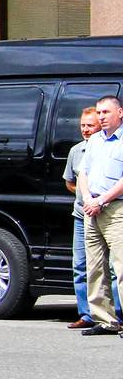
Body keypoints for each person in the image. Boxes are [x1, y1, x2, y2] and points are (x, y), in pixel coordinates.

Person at [77, 95, 123, 336]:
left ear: (120, 113)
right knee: (95, 266)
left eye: (106, 112)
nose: (101, 117)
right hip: (91, 208)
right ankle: (105, 320)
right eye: (99, 112)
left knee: (121, 267)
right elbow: (83, 172)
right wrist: (87, 198)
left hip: (116, 209)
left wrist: (102, 200)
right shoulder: (94, 140)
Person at [64, 108, 101, 328]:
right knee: (80, 265)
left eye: (90, 126)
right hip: (81, 215)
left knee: (107, 268)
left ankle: (114, 313)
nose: (86, 130)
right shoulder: (76, 151)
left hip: (104, 212)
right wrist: (84, 196)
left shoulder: (105, 148)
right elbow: (69, 181)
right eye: (83, 126)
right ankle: (86, 314)